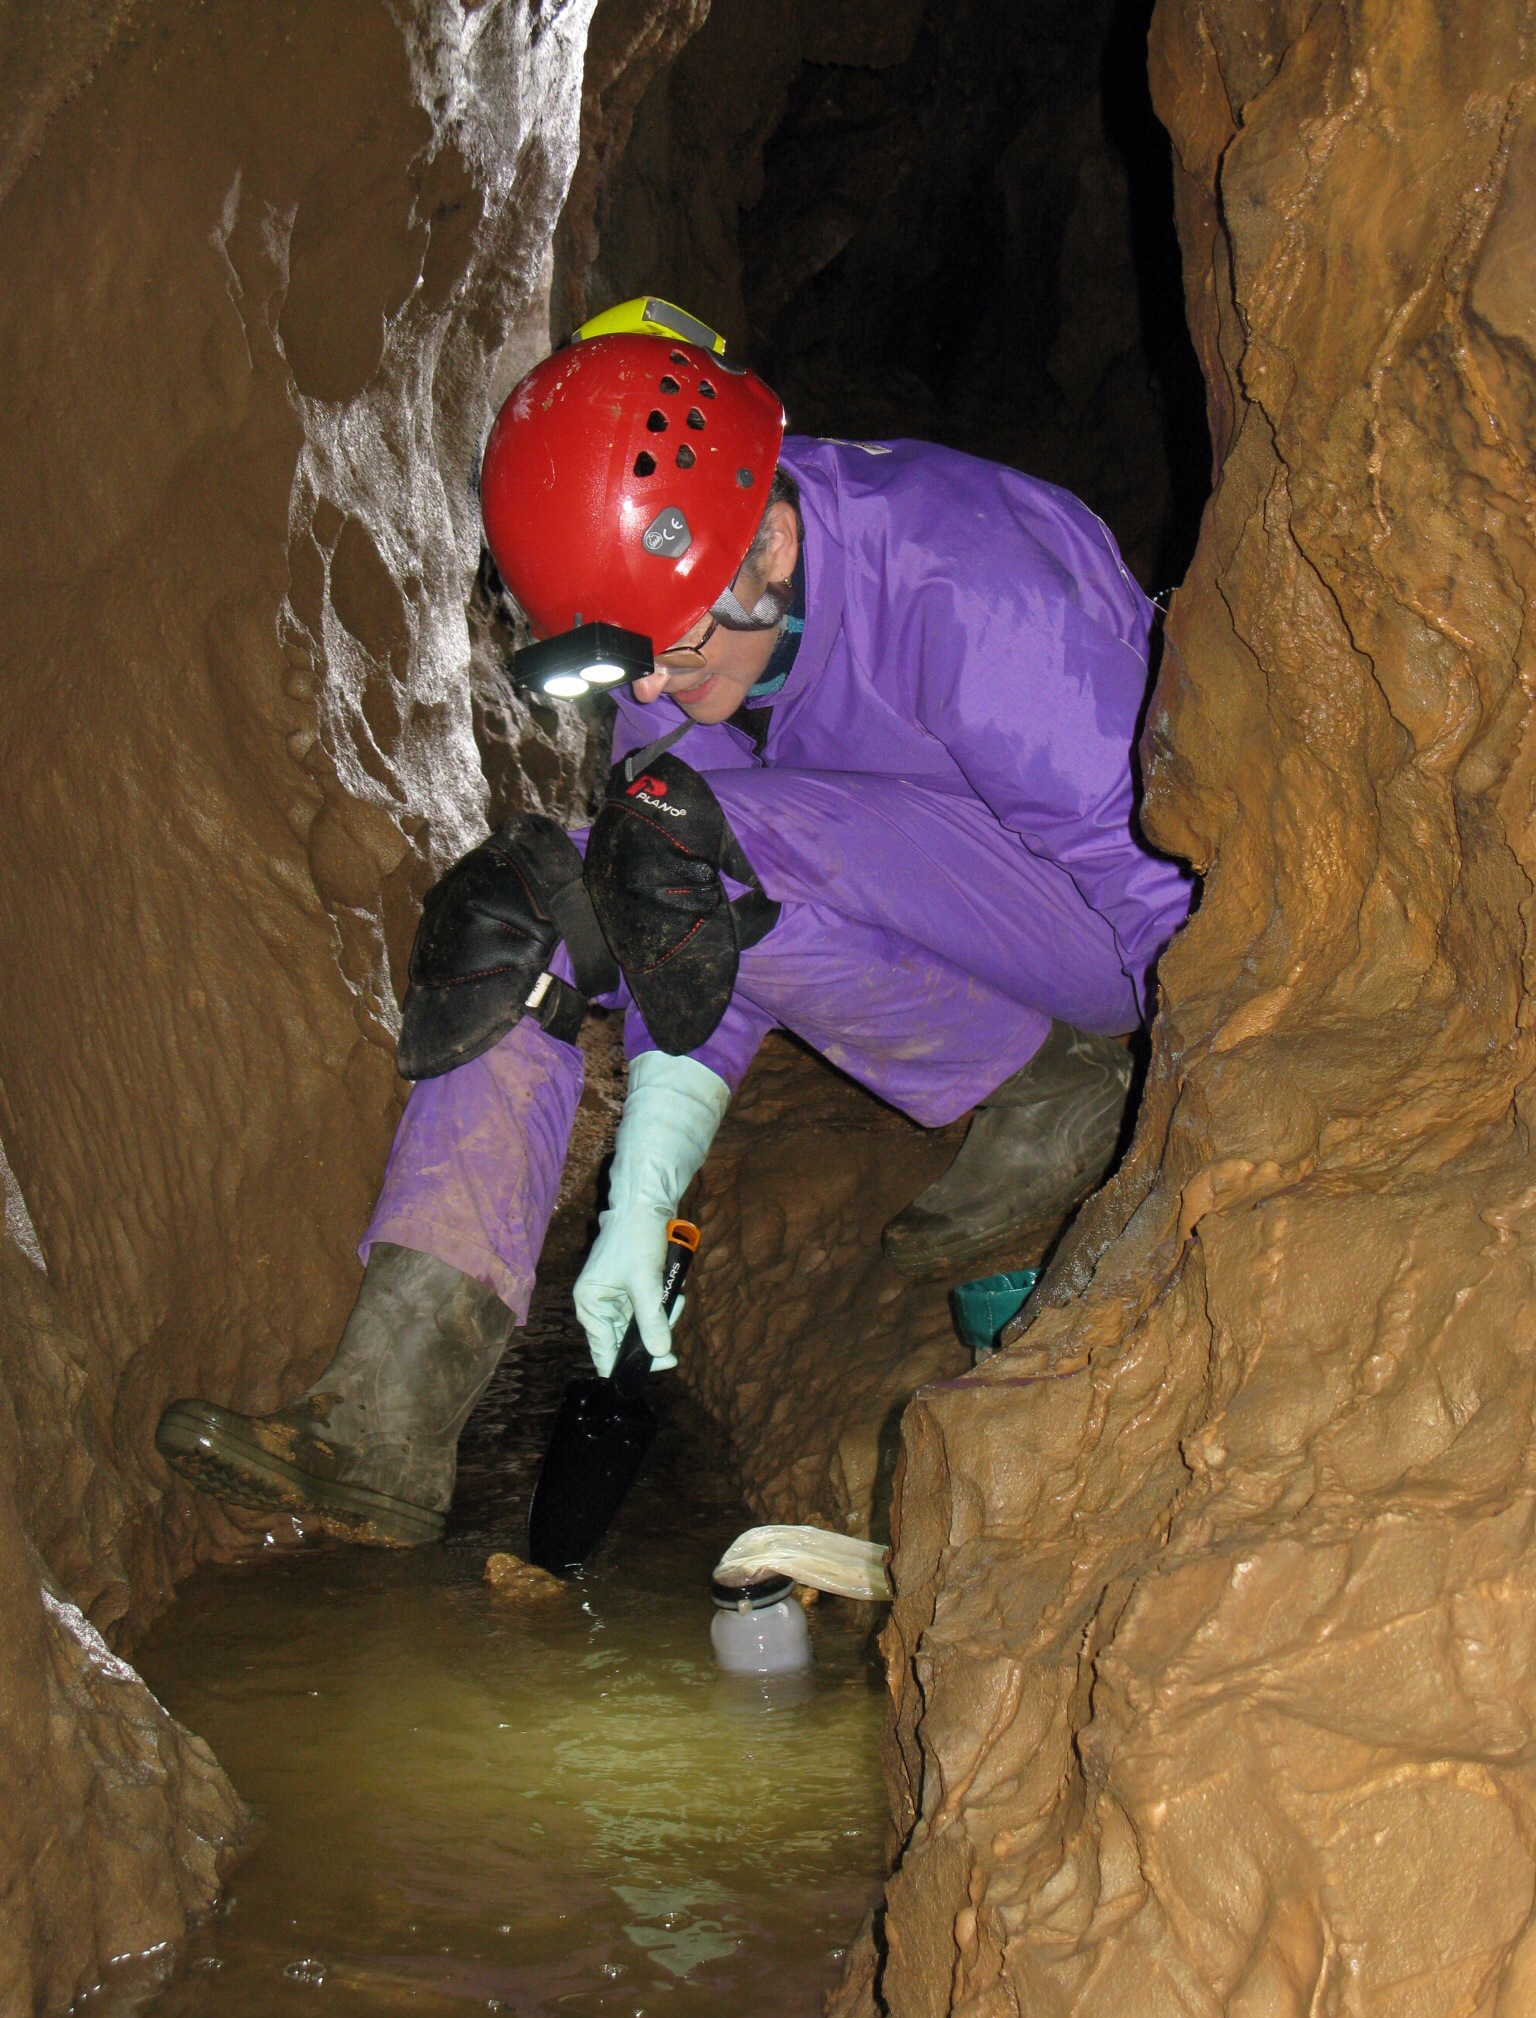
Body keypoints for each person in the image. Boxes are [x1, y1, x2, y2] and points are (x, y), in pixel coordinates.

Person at [157, 298, 1193, 1546]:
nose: (651, 688)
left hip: (1110, 927)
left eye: (670, 649)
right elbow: (674, 932)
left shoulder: (969, 588)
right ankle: (384, 1410)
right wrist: (640, 1195)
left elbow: (1163, 877)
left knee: (683, 827)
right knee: (536, 901)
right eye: (619, 666)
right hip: (961, 932)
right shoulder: (686, 653)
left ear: (765, 539)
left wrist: (1188, 1133)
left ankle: (1075, 1073)